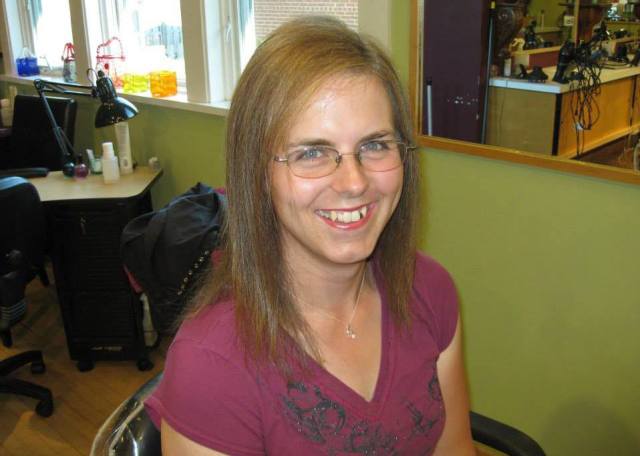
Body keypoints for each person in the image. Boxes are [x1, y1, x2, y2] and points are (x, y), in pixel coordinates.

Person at [145, 16, 475, 455]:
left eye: (375, 144)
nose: (354, 182)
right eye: (313, 152)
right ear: (258, 175)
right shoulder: (213, 366)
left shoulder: (430, 290)